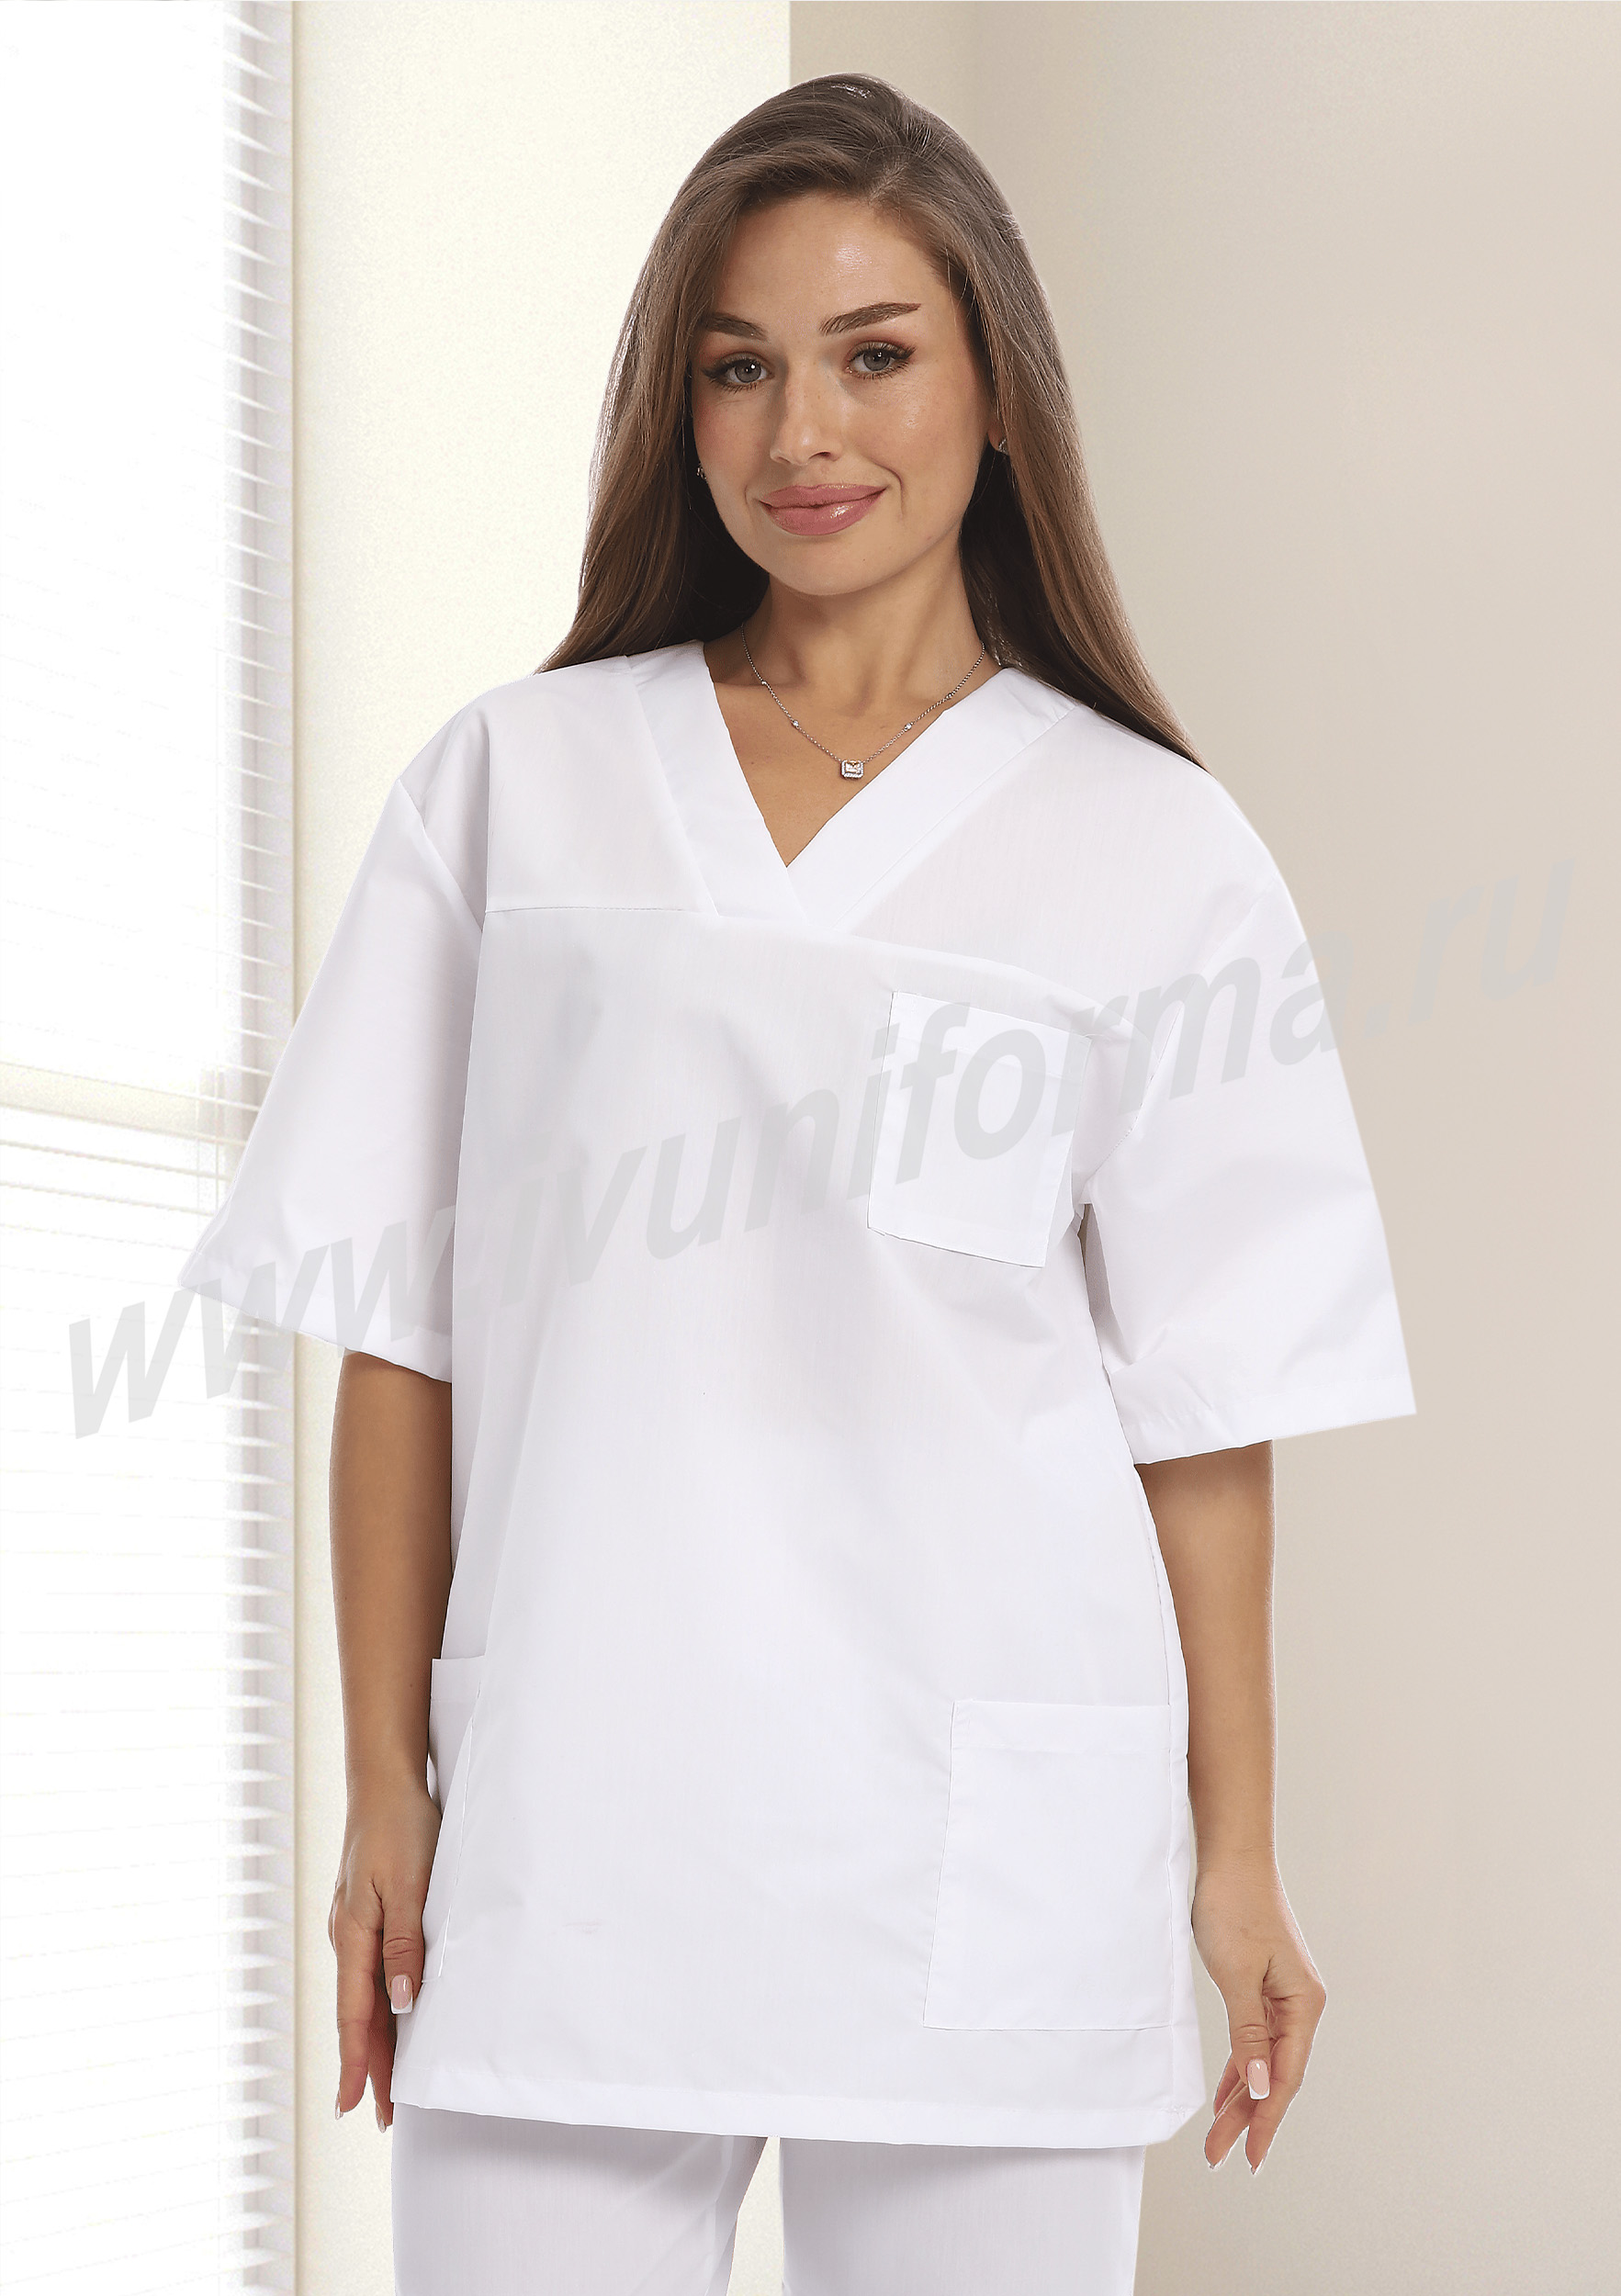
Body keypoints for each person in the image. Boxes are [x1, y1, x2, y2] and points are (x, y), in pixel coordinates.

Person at [177, 73, 1414, 2296]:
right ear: (678, 411)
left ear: (995, 393)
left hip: (977, 1845)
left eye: (873, 353)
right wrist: (379, 1787)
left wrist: (1234, 1852)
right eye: (738, 365)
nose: (801, 429)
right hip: (573, 1830)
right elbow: (396, 1329)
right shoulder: (517, 781)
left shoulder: (1153, 844)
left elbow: (1203, 1402)